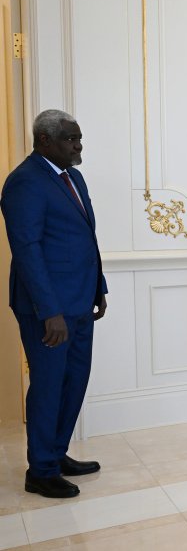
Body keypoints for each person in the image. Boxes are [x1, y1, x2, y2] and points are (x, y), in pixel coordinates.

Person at [1, 109, 108, 499]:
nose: (78, 146)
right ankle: (41, 470)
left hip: (80, 299)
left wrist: (98, 288)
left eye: (79, 138)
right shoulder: (24, 182)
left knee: (74, 381)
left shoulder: (72, 177)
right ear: (44, 140)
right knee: (48, 385)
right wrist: (50, 312)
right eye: (70, 139)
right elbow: (27, 250)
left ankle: (56, 453)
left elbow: (85, 239)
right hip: (48, 310)